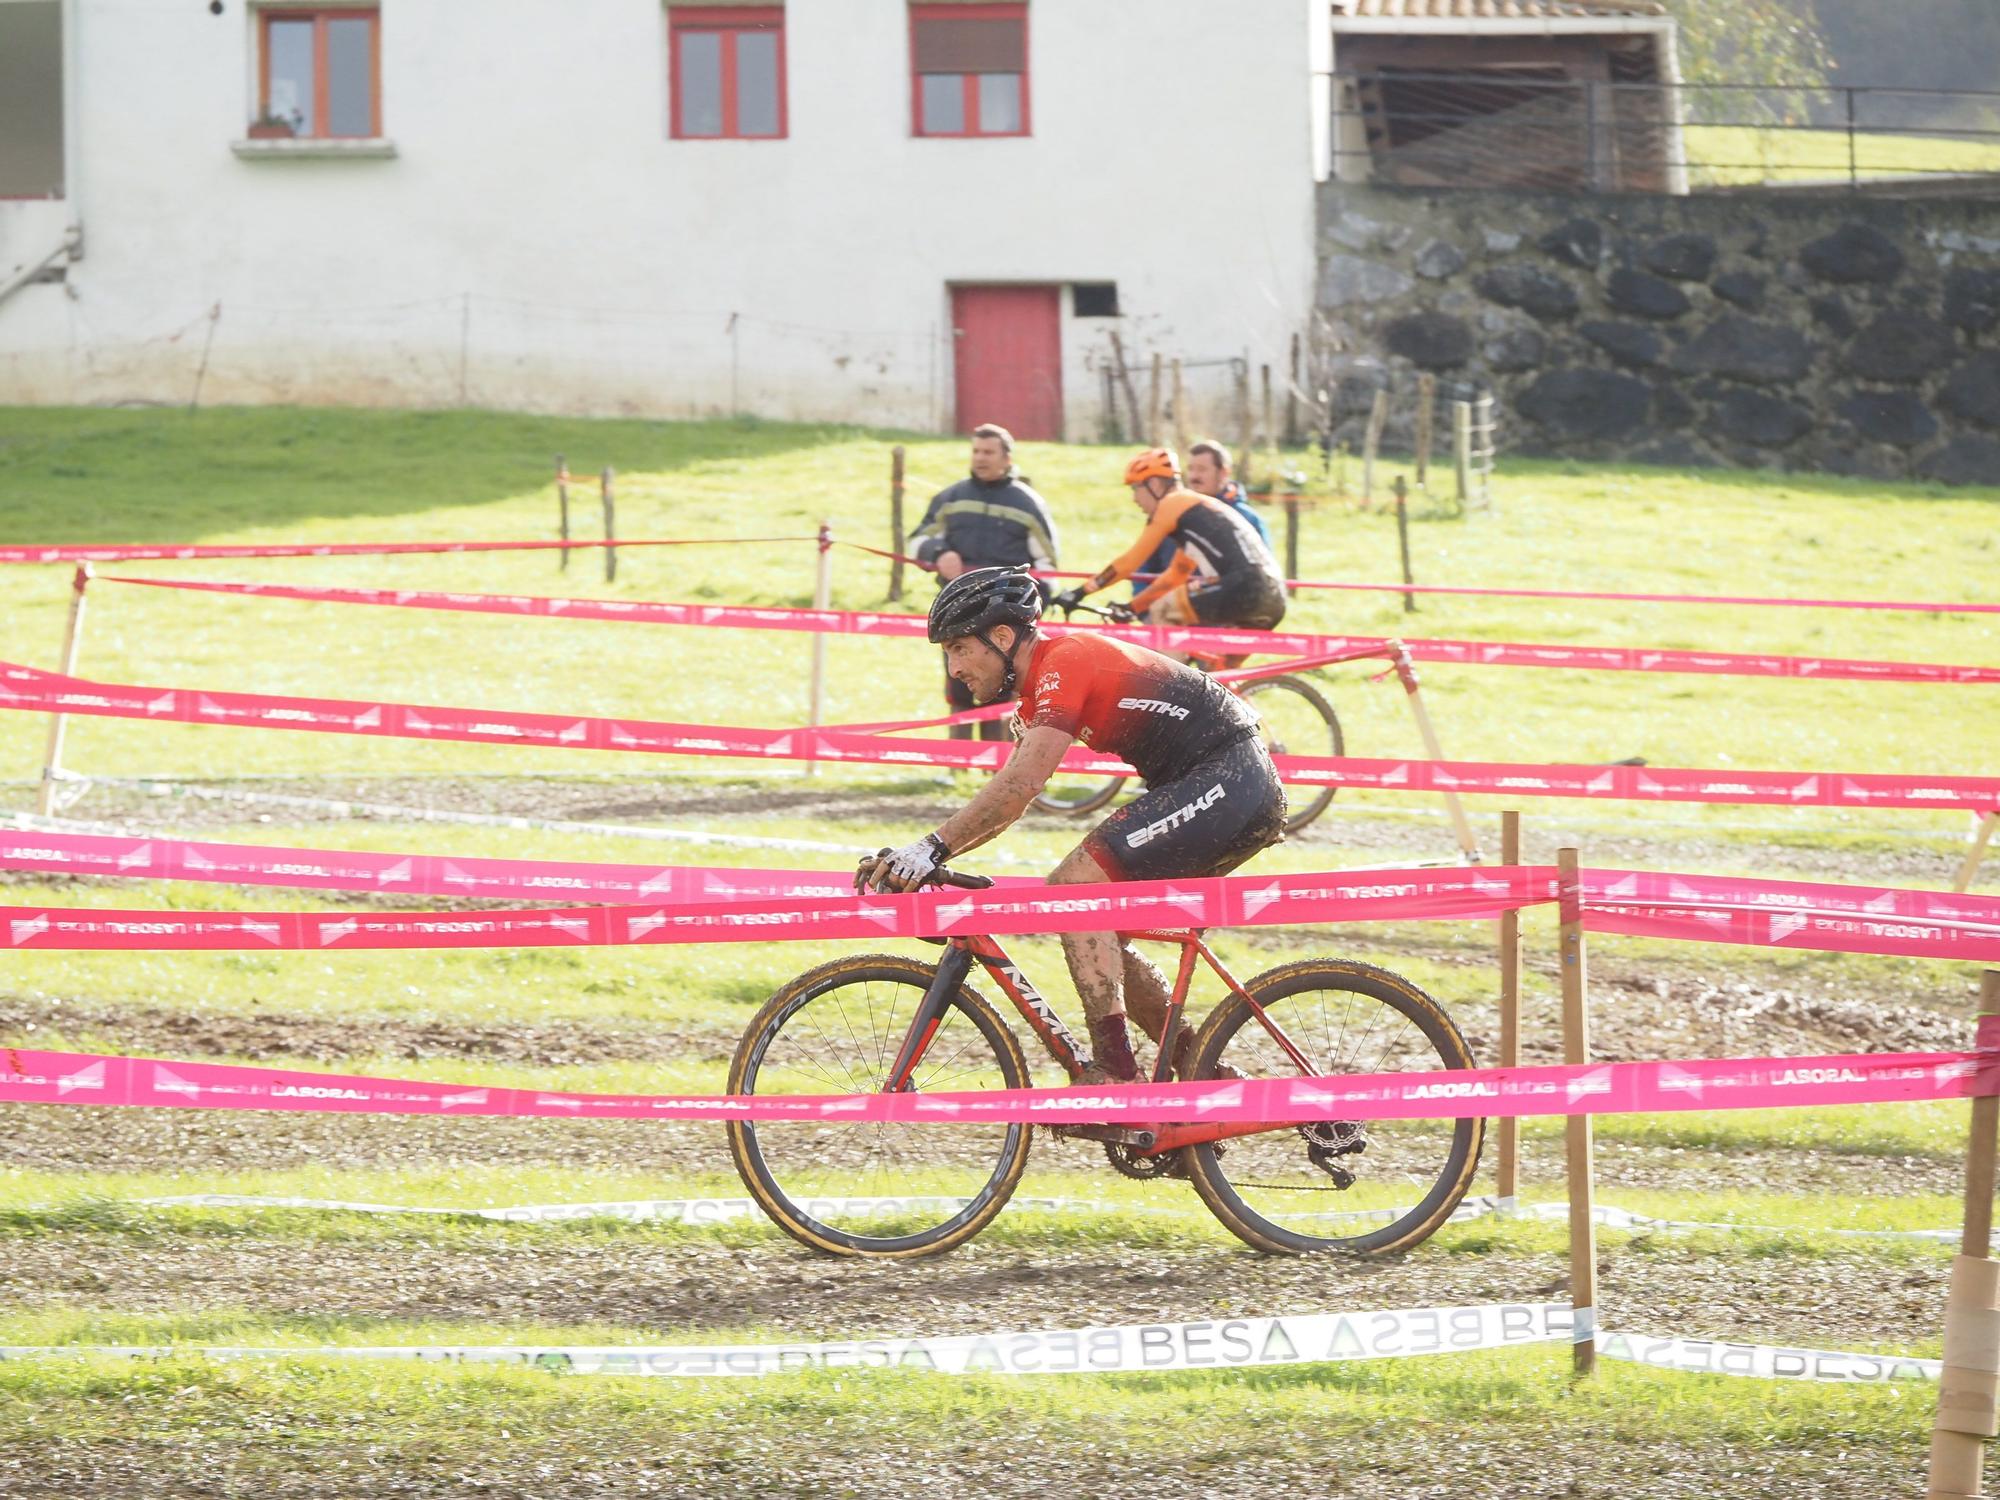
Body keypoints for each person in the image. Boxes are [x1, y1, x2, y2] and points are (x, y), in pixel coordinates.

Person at [854, 566, 1287, 1085]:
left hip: (1229, 779)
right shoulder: (1040, 691)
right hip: (1219, 783)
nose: (953, 668)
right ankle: (1202, 1070)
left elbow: (1020, 786)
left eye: (958, 648)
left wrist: (928, 848)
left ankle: (1116, 1075)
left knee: (1075, 889)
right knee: (1099, 929)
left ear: (1002, 637)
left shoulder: (1067, 662)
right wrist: (934, 853)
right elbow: (1009, 804)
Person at [907, 424, 1060, 740]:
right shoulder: (951, 497)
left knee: (1003, 688)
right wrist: (939, 552)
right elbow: (915, 541)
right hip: (957, 613)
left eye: (988, 452)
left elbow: (1047, 567)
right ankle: (956, 764)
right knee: (959, 684)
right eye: (976, 451)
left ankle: (996, 765)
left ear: (1007, 458)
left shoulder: (1029, 504)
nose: (980, 458)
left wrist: (1029, 610)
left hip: (1004, 621)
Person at [1053, 448, 1286, 632]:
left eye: (1135, 488)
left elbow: (1129, 563)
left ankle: (1168, 690)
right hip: (1274, 596)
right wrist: (1133, 607)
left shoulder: (1171, 504)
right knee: (1222, 674)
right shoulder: (1193, 513)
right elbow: (1176, 575)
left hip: (1243, 587)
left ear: (1153, 484)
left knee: (1162, 611)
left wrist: (1080, 592)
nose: (1134, 499)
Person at [1185, 440, 1273, 552]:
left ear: (1224, 473)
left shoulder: (1248, 519)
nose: (1194, 476)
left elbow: (1262, 567)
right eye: (1190, 469)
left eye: (1202, 469)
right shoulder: (1176, 517)